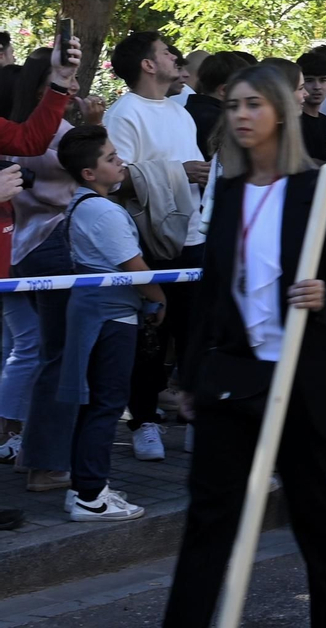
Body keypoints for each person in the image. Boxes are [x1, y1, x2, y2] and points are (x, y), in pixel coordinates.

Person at [163, 65, 326, 627]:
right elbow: (211, 295)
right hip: (233, 377)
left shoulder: (319, 191)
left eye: (253, 104)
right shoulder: (227, 195)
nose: (241, 116)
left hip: (304, 380)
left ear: (280, 111)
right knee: (210, 517)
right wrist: (190, 377)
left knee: (317, 518)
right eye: (233, 106)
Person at [102, 31, 208, 464]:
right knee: (152, 336)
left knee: (195, 334)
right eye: (167, 53)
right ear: (148, 65)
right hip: (149, 241)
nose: (175, 58)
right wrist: (179, 171)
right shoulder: (123, 114)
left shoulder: (181, 113)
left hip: (194, 235)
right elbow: (116, 177)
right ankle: (144, 419)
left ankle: (196, 416)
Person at [54, 126, 162, 525]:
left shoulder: (88, 205)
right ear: (88, 173)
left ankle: (84, 488)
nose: (121, 163)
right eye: (111, 158)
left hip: (103, 314)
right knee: (107, 404)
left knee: (98, 404)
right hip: (110, 317)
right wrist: (160, 297)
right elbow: (133, 267)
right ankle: (91, 496)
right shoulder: (101, 211)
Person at [10, 49, 103, 497]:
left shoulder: (37, 128)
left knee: (46, 353)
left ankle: (40, 454)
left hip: (29, 248)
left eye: (72, 77)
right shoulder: (57, 133)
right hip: (52, 247)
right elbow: (101, 172)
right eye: (59, 79)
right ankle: (46, 463)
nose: (70, 85)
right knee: (60, 358)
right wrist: (94, 129)